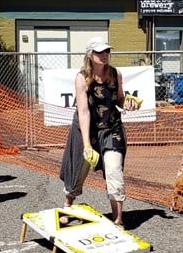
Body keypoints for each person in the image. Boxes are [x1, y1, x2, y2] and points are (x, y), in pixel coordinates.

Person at [59, 37, 140, 228]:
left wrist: (128, 102)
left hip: (111, 128)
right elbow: (84, 112)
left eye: (107, 51)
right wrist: (87, 145)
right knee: (78, 169)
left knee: (114, 169)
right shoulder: (82, 78)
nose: (104, 55)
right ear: (90, 55)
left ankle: (118, 219)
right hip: (86, 129)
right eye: (99, 52)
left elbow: (119, 99)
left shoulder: (115, 74)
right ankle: (68, 206)